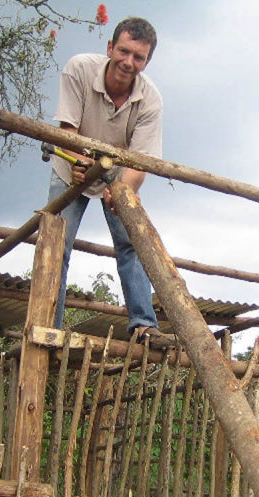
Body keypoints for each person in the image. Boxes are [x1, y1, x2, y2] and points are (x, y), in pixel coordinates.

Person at [47, 17, 171, 345]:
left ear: (147, 62)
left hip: (118, 170)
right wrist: (78, 162)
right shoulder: (79, 69)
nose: (129, 62)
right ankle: (51, 323)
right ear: (110, 48)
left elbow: (141, 163)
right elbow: (67, 130)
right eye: (124, 51)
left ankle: (144, 325)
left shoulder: (151, 100)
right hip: (71, 163)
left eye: (139, 57)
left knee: (132, 242)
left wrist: (123, 193)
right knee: (55, 245)